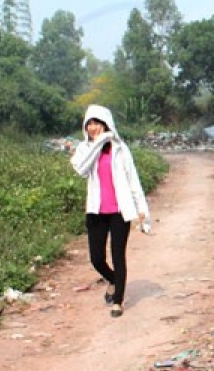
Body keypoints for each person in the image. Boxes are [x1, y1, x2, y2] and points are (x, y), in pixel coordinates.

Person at [70, 104, 151, 318]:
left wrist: (142, 209)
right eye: (89, 124)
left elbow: (133, 180)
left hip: (119, 212)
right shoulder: (84, 149)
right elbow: (81, 169)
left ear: (106, 124)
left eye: (97, 123)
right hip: (96, 211)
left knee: (118, 255)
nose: (93, 128)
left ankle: (118, 301)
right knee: (96, 258)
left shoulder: (120, 149)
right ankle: (113, 279)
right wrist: (98, 143)